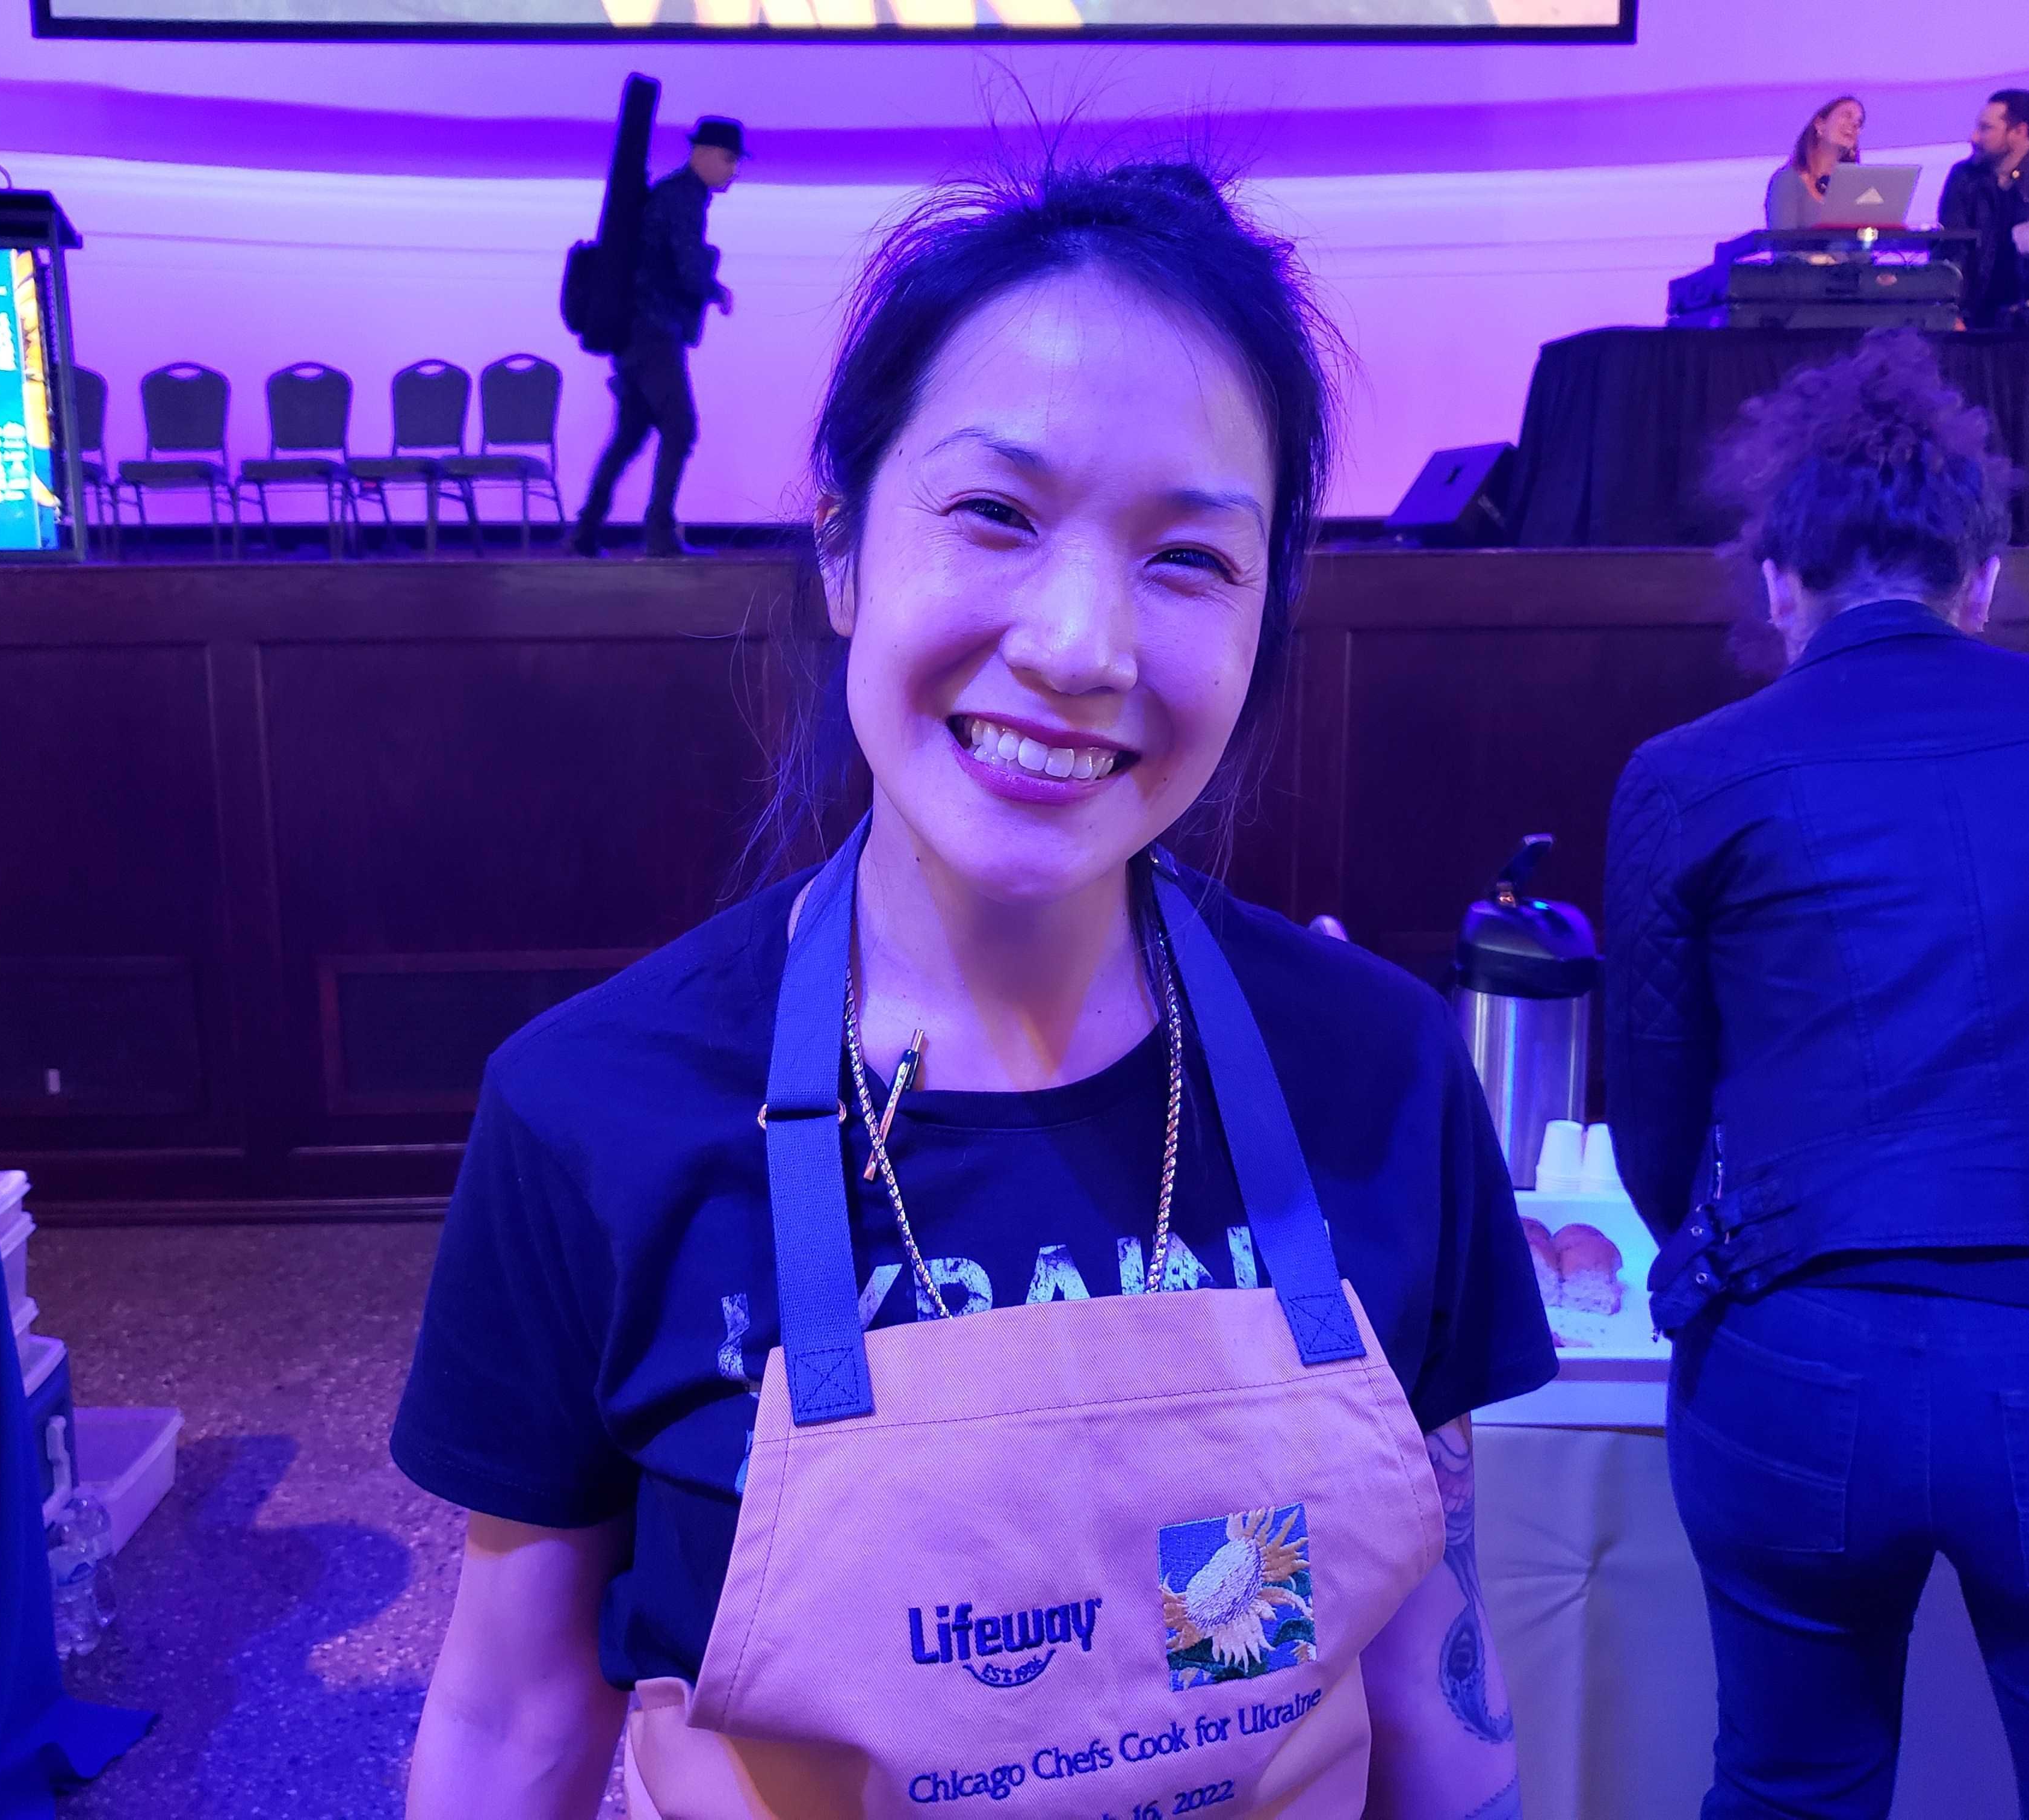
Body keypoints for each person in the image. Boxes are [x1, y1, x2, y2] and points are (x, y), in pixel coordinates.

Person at [392, 158, 1557, 1819]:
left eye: (1190, 561)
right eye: (998, 514)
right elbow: (510, 1722)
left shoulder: (1377, 1071)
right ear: (845, 551)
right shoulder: (593, 1111)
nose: (1084, 642)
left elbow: (1421, 1651)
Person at [1603, 331, 2029, 1819]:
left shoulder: (1689, 770)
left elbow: (1655, 1131)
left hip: (1799, 1359)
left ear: (1781, 580)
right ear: (1980, 577)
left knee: (1790, 1790)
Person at [569, 115, 743, 559]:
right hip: (652, 333)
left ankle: (586, 531)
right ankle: (660, 534)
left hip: (633, 334)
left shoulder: (676, 194)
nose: (733, 170)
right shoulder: (684, 198)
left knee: (629, 435)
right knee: (681, 428)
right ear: (700, 154)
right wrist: (715, 285)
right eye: (728, 159)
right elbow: (686, 269)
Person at [1936, 88, 2029, 327]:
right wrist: (1950, 311)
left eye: (1986, 129)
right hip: (1973, 316)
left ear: (2019, 131)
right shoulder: (1963, 176)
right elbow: (1950, 248)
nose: (1974, 138)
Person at [1765, 94, 1864, 230]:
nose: (1854, 124)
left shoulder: (1853, 190)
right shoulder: (1787, 180)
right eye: (1847, 116)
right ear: (1820, 125)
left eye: (1859, 123)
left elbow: (1861, 249)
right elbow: (1784, 247)